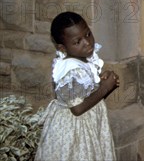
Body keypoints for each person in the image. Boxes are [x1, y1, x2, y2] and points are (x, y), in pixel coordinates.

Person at [35, 11, 119, 161]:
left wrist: (99, 81)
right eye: (77, 41)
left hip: (89, 122)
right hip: (75, 130)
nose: (87, 42)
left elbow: (83, 91)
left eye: (87, 34)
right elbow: (77, 108)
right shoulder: (71, 70)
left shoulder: (79, 60)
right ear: (62, 48)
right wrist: (105, 88)